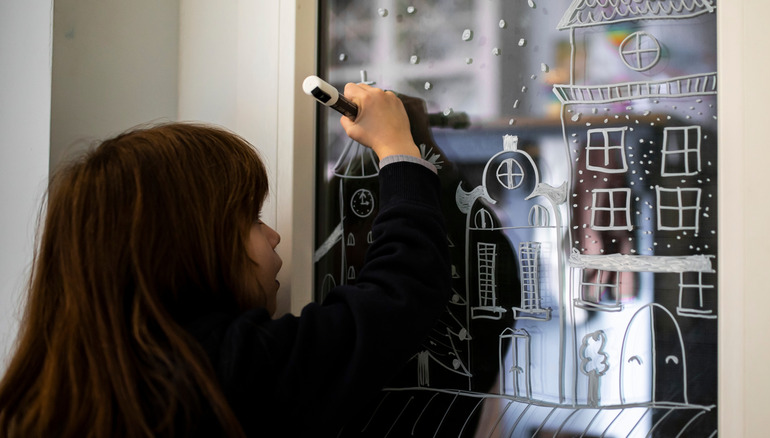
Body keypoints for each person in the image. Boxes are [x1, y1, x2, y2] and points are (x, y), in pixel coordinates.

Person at [0, 83, 451, 437]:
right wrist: (399, 150)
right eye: (252, 218)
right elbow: (396, 298)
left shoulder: (46, 394)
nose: (275, 235)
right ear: (183, 246)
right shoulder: (221, 372)